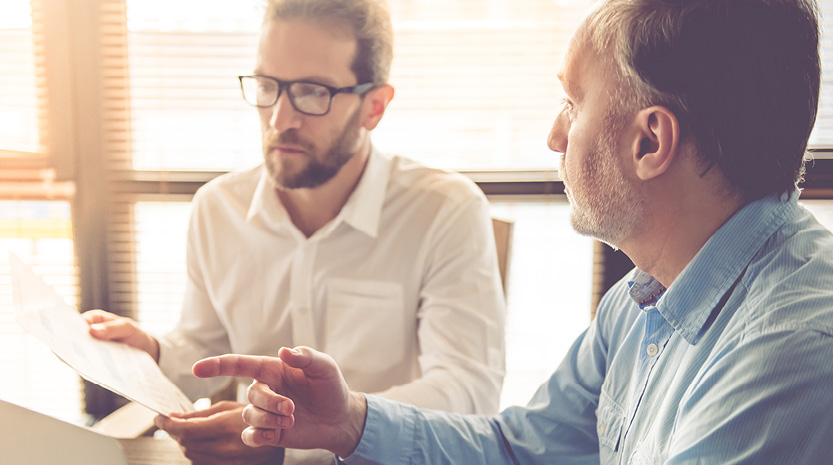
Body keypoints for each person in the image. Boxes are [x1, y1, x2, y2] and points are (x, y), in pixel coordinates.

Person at [193, 0, 833, 463]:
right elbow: (517, 447)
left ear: (650, 140)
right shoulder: (642, 301)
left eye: (572, 104)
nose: (554, 136)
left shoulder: (790, 354)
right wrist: (350, 422)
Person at [83, 0, 506, 463]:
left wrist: (302, 440)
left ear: (375, 107)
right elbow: (204, 348)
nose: (280, 119)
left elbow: (470, 393)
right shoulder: (217, 208)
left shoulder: (445, 211)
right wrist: (155, 352)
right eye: (267, 86)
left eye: (311, 92)